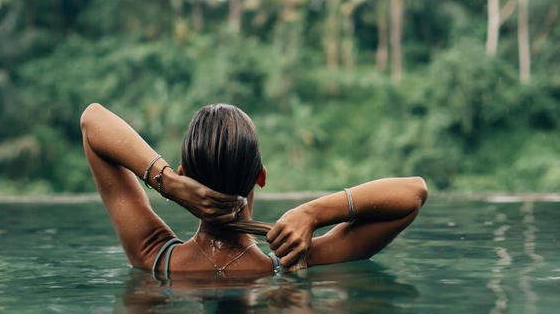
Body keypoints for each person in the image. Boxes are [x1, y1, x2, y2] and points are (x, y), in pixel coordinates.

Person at [80, 102, 427, 279]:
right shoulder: (290, 263)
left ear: (186, 174)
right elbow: (413, 194)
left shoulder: (153, 257)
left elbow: (92, 120)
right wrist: (313, 213)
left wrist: (167, 182)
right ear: (261, 176)